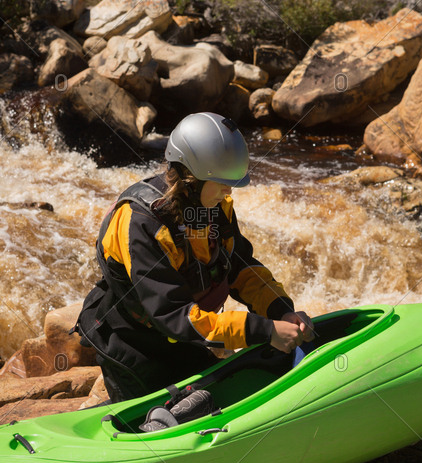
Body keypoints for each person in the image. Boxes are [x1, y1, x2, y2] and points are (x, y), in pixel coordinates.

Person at [76, 112, 314, 403]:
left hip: (184, 338)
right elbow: (173, 315)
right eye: (223, 183)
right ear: (191, 178)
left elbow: (239, 267)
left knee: (217, 401)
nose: (230, 191)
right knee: (164, 419)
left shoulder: (214, 206)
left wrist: (280, 312)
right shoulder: (140, 223)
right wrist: (264, 331)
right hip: (132, 344)